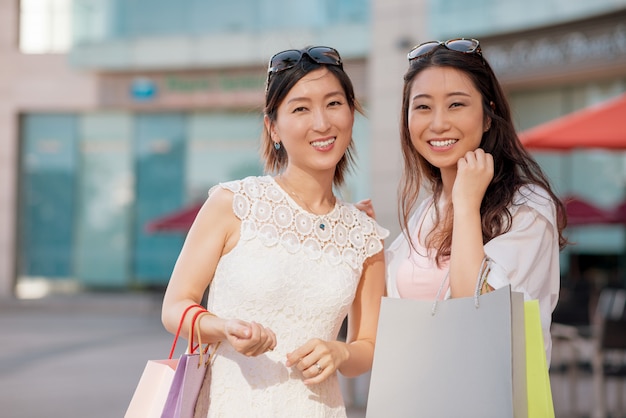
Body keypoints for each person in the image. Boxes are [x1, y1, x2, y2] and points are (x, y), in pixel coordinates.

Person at [161, 45, 388, 417]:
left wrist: (341, 351)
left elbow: (368, 347)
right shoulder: (231, 202)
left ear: (351, 112)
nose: (321, 123)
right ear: (274, 127)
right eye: (300, 108)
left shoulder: (365, 236)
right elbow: (175, 308)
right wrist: (222, 327)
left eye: (334, 103)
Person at [384, 38, 567, 364]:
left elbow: (478, 315)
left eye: (456, 104)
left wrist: (466, 205)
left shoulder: (527, 208)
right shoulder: (425, 212)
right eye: (423, 106)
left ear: (487, 116)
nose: (438, 123)